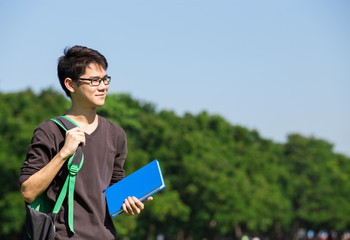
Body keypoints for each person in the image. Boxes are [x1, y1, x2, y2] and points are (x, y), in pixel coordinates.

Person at [18, 45, 152, 239]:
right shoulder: (49, 131)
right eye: (94, 80)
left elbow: (111, 195)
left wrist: (128, 204)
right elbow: (28, 192)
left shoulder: (116, 134)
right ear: (70, 85)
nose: (103, 86)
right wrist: (64, 153)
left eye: (105, 79)